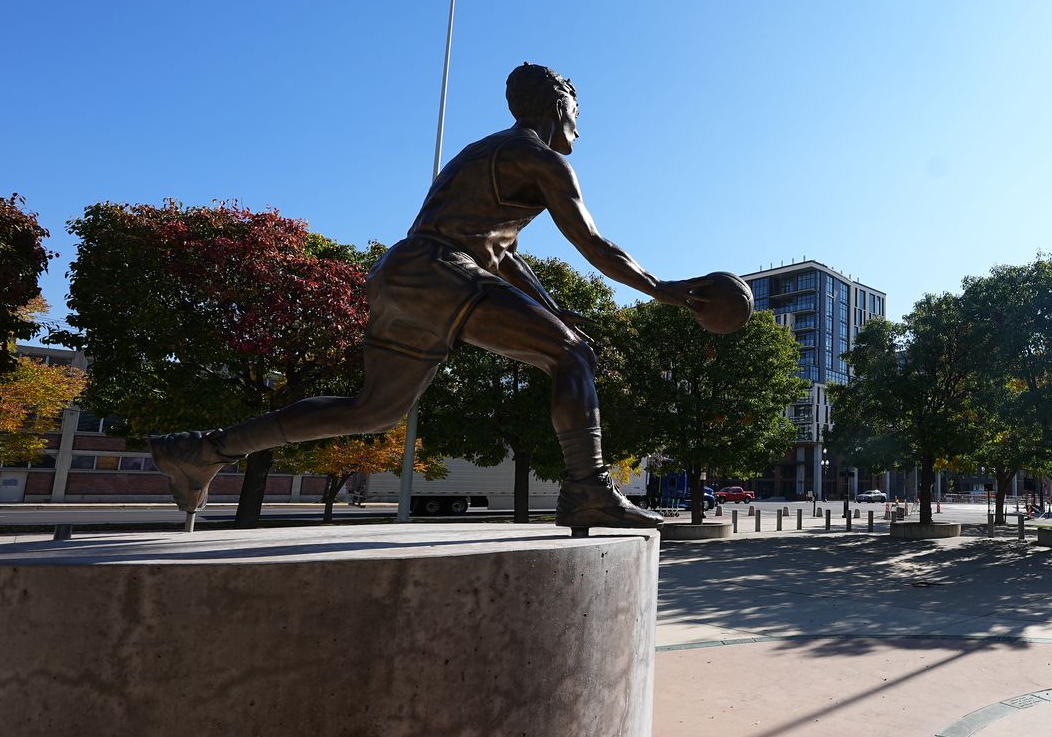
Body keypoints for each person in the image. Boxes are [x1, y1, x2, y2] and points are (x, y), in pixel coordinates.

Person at [151, 63, 717, 529]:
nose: (579, 128)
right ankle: (588, 489)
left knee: (372, 410)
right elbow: (591, 242)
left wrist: (547, 308)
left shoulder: (481, 152)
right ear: (558, 105)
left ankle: (204, 449)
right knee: (572, 355)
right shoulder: (542, 159)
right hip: (439, 269)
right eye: (577, 112)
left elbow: (501, 254)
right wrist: (661, 289)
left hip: (402, 274)